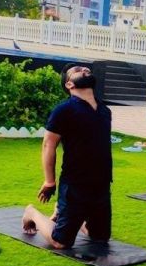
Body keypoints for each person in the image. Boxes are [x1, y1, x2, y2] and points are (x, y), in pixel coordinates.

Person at [22, 64, 112, 248]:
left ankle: (64, 213)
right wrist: (49, 181)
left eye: (86, 68)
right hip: (75, 184)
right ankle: (31, 212)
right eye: (78, 70)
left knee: (100, 238)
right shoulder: (64, 110)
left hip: (101, 184)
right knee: (60, 242)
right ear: (69, 84)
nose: (85, 69)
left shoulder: (104, 110)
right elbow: (49, 144)